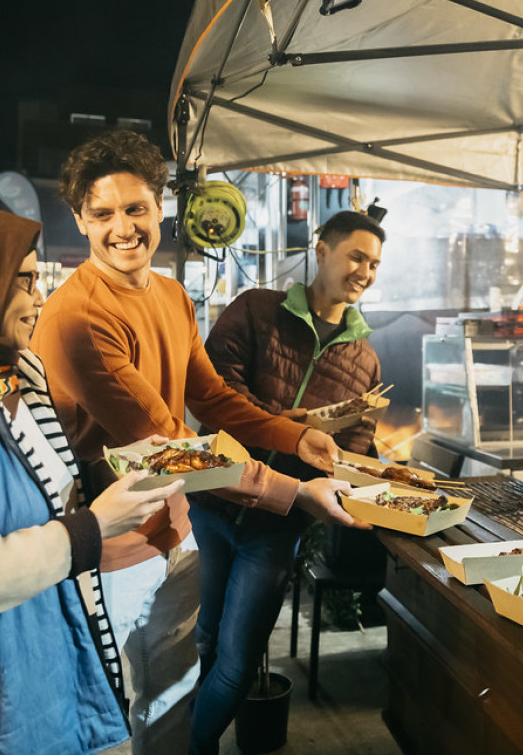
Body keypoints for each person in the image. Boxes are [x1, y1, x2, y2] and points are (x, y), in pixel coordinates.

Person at [30, 130, 361, 754]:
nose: (123, 228)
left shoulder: (171, 293)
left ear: (160, 208)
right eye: (102, 214)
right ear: (79, 219)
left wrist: (298, 437)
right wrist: (296, 492)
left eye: (135, 209)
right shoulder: (77, 317)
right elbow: (170, 441)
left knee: (179, 699)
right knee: (137, 715)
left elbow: (214, 401)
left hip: (177, 528)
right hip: (117, 550)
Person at [0, 205, 183, 754]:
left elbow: (37, 494)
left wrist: (115, 466)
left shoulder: (8, 377)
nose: (38, 300)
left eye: (38, 279)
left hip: (25, 666)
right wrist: (92, 528)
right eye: (23, 281)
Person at [189, 210, 385, 753]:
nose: (365, 271)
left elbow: (357, 450)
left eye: (373, 264)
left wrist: (357, 476)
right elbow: (217, 397)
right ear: (321, 251)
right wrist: (296, 427)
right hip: (212, 498)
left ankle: (197, 747)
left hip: (280, 522)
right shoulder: (255, 310)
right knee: (203, 636)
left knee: (237, 655)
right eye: (356, 256)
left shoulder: (364, 357)